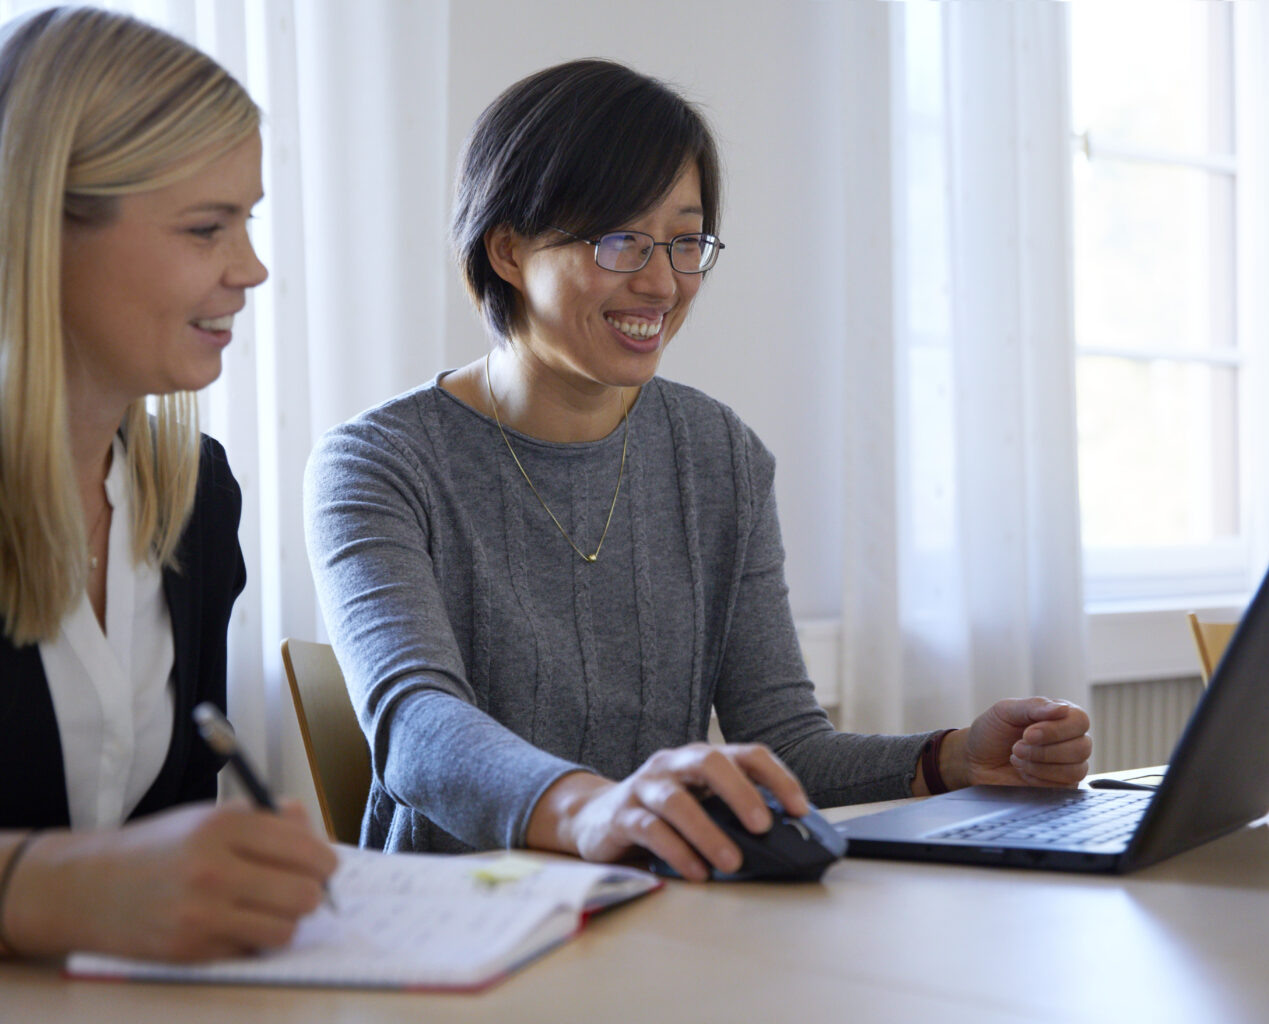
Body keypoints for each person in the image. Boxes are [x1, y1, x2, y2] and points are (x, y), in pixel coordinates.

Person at [305, 58, 1092, 881]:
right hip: (459, 928)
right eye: (619, 240)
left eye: (685, 241)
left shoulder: (719, 455)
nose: (662, 282)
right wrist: (593, 808)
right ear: (508, 249)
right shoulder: (378, 465)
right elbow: (417, 727)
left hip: (664, 915)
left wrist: (955, 760)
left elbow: (787, 746)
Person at [0, 7, 335, 960]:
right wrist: (73, 893)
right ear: (43, 230)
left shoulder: (194, 496)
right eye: (207, 228)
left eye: (248, 220)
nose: (252, 267)